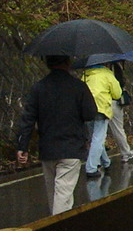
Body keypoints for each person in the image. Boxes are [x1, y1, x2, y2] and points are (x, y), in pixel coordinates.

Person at [15, 55, 98, 215]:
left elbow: (28, 119)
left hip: (48, 148)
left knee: (53, 193)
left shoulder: (38, 88)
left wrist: (22, 146)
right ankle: (59, 227)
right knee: (63, 194)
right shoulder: (78, 86)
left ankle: (55, 224)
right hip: (71, 147)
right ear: (67, 62)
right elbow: (89, 114)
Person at [82, 61, 122, 178]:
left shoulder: (85, 75)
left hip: (87, 109)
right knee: (98, 139)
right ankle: (91, 168)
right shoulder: (107, 74)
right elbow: (117, 94)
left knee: (95, 138)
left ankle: (106, 162)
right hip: (101, 108)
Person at [106, 60, 133, 162]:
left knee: (99, 133)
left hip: (102, 102)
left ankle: (99, 159)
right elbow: (120, 85)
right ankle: (125, 153)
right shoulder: (116, 68)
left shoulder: (102, 70)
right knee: (118, 129)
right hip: (115, 102)